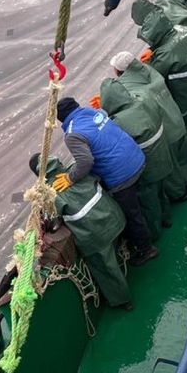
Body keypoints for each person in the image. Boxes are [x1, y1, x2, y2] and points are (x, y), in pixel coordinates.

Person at [57, 96, 158, 266]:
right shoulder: (91, 111)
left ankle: (146, 250)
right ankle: (160, 224)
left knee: (132, 215)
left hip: (121, 175)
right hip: (137, 157)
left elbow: (85, 162)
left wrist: (70, 177)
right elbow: (103, 113)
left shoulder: (72, 134)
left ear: (61, 118)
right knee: (143, 200)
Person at [29, 153, 133, 308]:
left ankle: (122, 300)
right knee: (114, 246)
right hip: (115, 218)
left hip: (97, 236)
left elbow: (52, 222)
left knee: (104, 267)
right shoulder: (76, 169)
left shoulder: (50, 194)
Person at [131, 0, 187, 170]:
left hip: (184, 93)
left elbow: (152, 75)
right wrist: (154, 52)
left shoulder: (165, 55)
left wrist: (148, 62)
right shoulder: (183, 31)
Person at [110, 51, 187, 201]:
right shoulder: (149, 70)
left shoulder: (128, 89)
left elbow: (134, 108)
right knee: (184, 157)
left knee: (172, 169)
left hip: (166, 131)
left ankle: (181, 195)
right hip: (176, 118)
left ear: (120, 71)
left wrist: (111, 100)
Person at [98, 75, 173, 239]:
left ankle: (155, 233)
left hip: (148, 164)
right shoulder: (142, 101)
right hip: (163, 153)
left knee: (149, 200)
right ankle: (167, 219)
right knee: (161, 191)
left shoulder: (118, 121)